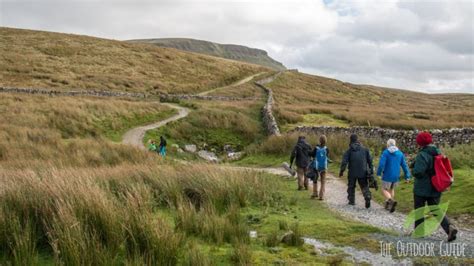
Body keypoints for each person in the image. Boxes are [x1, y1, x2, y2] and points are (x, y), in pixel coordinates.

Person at [412, 132, 457, 242]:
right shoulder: (438, 152)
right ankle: (449, 228)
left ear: (420, 143)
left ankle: (419, 232)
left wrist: (413, 168)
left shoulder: (422, 155)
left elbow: (418, 172)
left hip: (422, 188)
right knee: (436, 209)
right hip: (436, 186)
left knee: (419, 209)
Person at [339, 134, 374, 208]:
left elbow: (344, 162)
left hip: (352, 172)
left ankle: (351, 200)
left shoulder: (349, 151)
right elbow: (370, 161)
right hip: (363, 171)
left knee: (351, 186)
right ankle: (367, 196)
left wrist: (341, 171)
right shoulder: (365, 150)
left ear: (350, 140)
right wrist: (371, 171)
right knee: (364, 185)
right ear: (357, 140)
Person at [377, 139, 411, 213]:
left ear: (388, 144)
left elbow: (381, 164)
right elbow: (404, 165)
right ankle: (389, 205)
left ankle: (391, 201)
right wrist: (407, 176)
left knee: (384, 189)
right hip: (396, 175)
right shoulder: (400, 153)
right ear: (395, 144)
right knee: (391, 189)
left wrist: (379, 173)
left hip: (387, 174)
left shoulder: (386, 153)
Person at [311, 135, 331, 200]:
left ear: (319, 140)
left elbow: (312, 154)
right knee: (323, 181)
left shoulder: (316, 148)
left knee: (315, 179)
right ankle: (321, 196)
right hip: (324, 167)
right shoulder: (327, 149)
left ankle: (315, 193)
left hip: (316, 166)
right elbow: (327, 157)